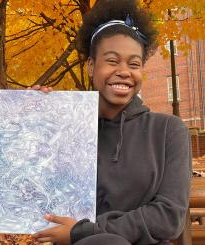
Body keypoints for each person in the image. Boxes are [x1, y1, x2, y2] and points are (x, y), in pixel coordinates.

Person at [32, 0, 192, 244]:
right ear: (91, 66)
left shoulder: (169, 131)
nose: (124, 71)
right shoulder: (66, 129)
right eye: (112, 60)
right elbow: (30, 192)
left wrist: (85, 232)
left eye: (134, 64)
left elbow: (168, 218)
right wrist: (31, 119)